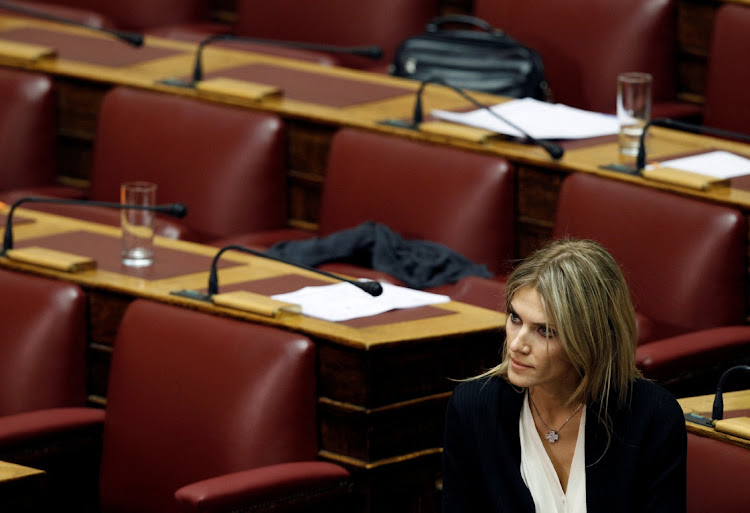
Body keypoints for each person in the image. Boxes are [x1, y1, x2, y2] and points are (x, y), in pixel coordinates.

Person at [442, 238, 686, 513]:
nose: (516, 345)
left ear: (590, 340)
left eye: (545, 331)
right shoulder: (474, 407)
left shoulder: (652, 416)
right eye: (515, 318)